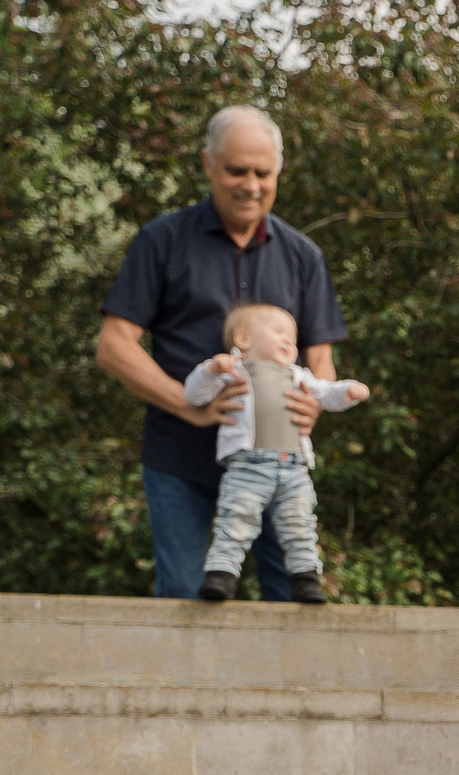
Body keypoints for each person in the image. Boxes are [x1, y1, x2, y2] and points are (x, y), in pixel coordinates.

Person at [97, 105, 350, 603]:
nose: (251, 185)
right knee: (187, 596)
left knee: (293, 596)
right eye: (237, 170)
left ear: (278, 172)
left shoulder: (303, 256)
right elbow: (113, 345)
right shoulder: (161, 240)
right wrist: (186, 404)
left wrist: (314, 404)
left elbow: (320, 357)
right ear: (209, 164)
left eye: (263, 173)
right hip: (180, 459)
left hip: (279, 461)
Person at [180, 303, 370, 602]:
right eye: (279, 332)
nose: (289, 341)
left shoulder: (297, 375)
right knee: (236, 520)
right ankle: (221, 576)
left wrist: (348, 392)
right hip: (247, 466)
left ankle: (307, 580)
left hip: (293, 468)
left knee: (300, 526)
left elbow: (326, 392)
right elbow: (194, 394)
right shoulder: (233, 370)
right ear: (243, 339)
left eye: (293, 338)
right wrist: (211, 370)